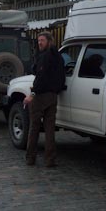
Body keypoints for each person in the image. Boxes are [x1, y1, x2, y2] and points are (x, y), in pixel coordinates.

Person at [24, 31, 65, 167]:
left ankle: (30, 158)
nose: (39, 43)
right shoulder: (58, 56)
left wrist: (32, 94)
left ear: (49, 41)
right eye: (38, 40)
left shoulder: (46, 56)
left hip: (41, 96)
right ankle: (50, 160)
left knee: (34, 128)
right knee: (49, 130)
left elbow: (41, 77)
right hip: (53, 96)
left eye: (42, 40)